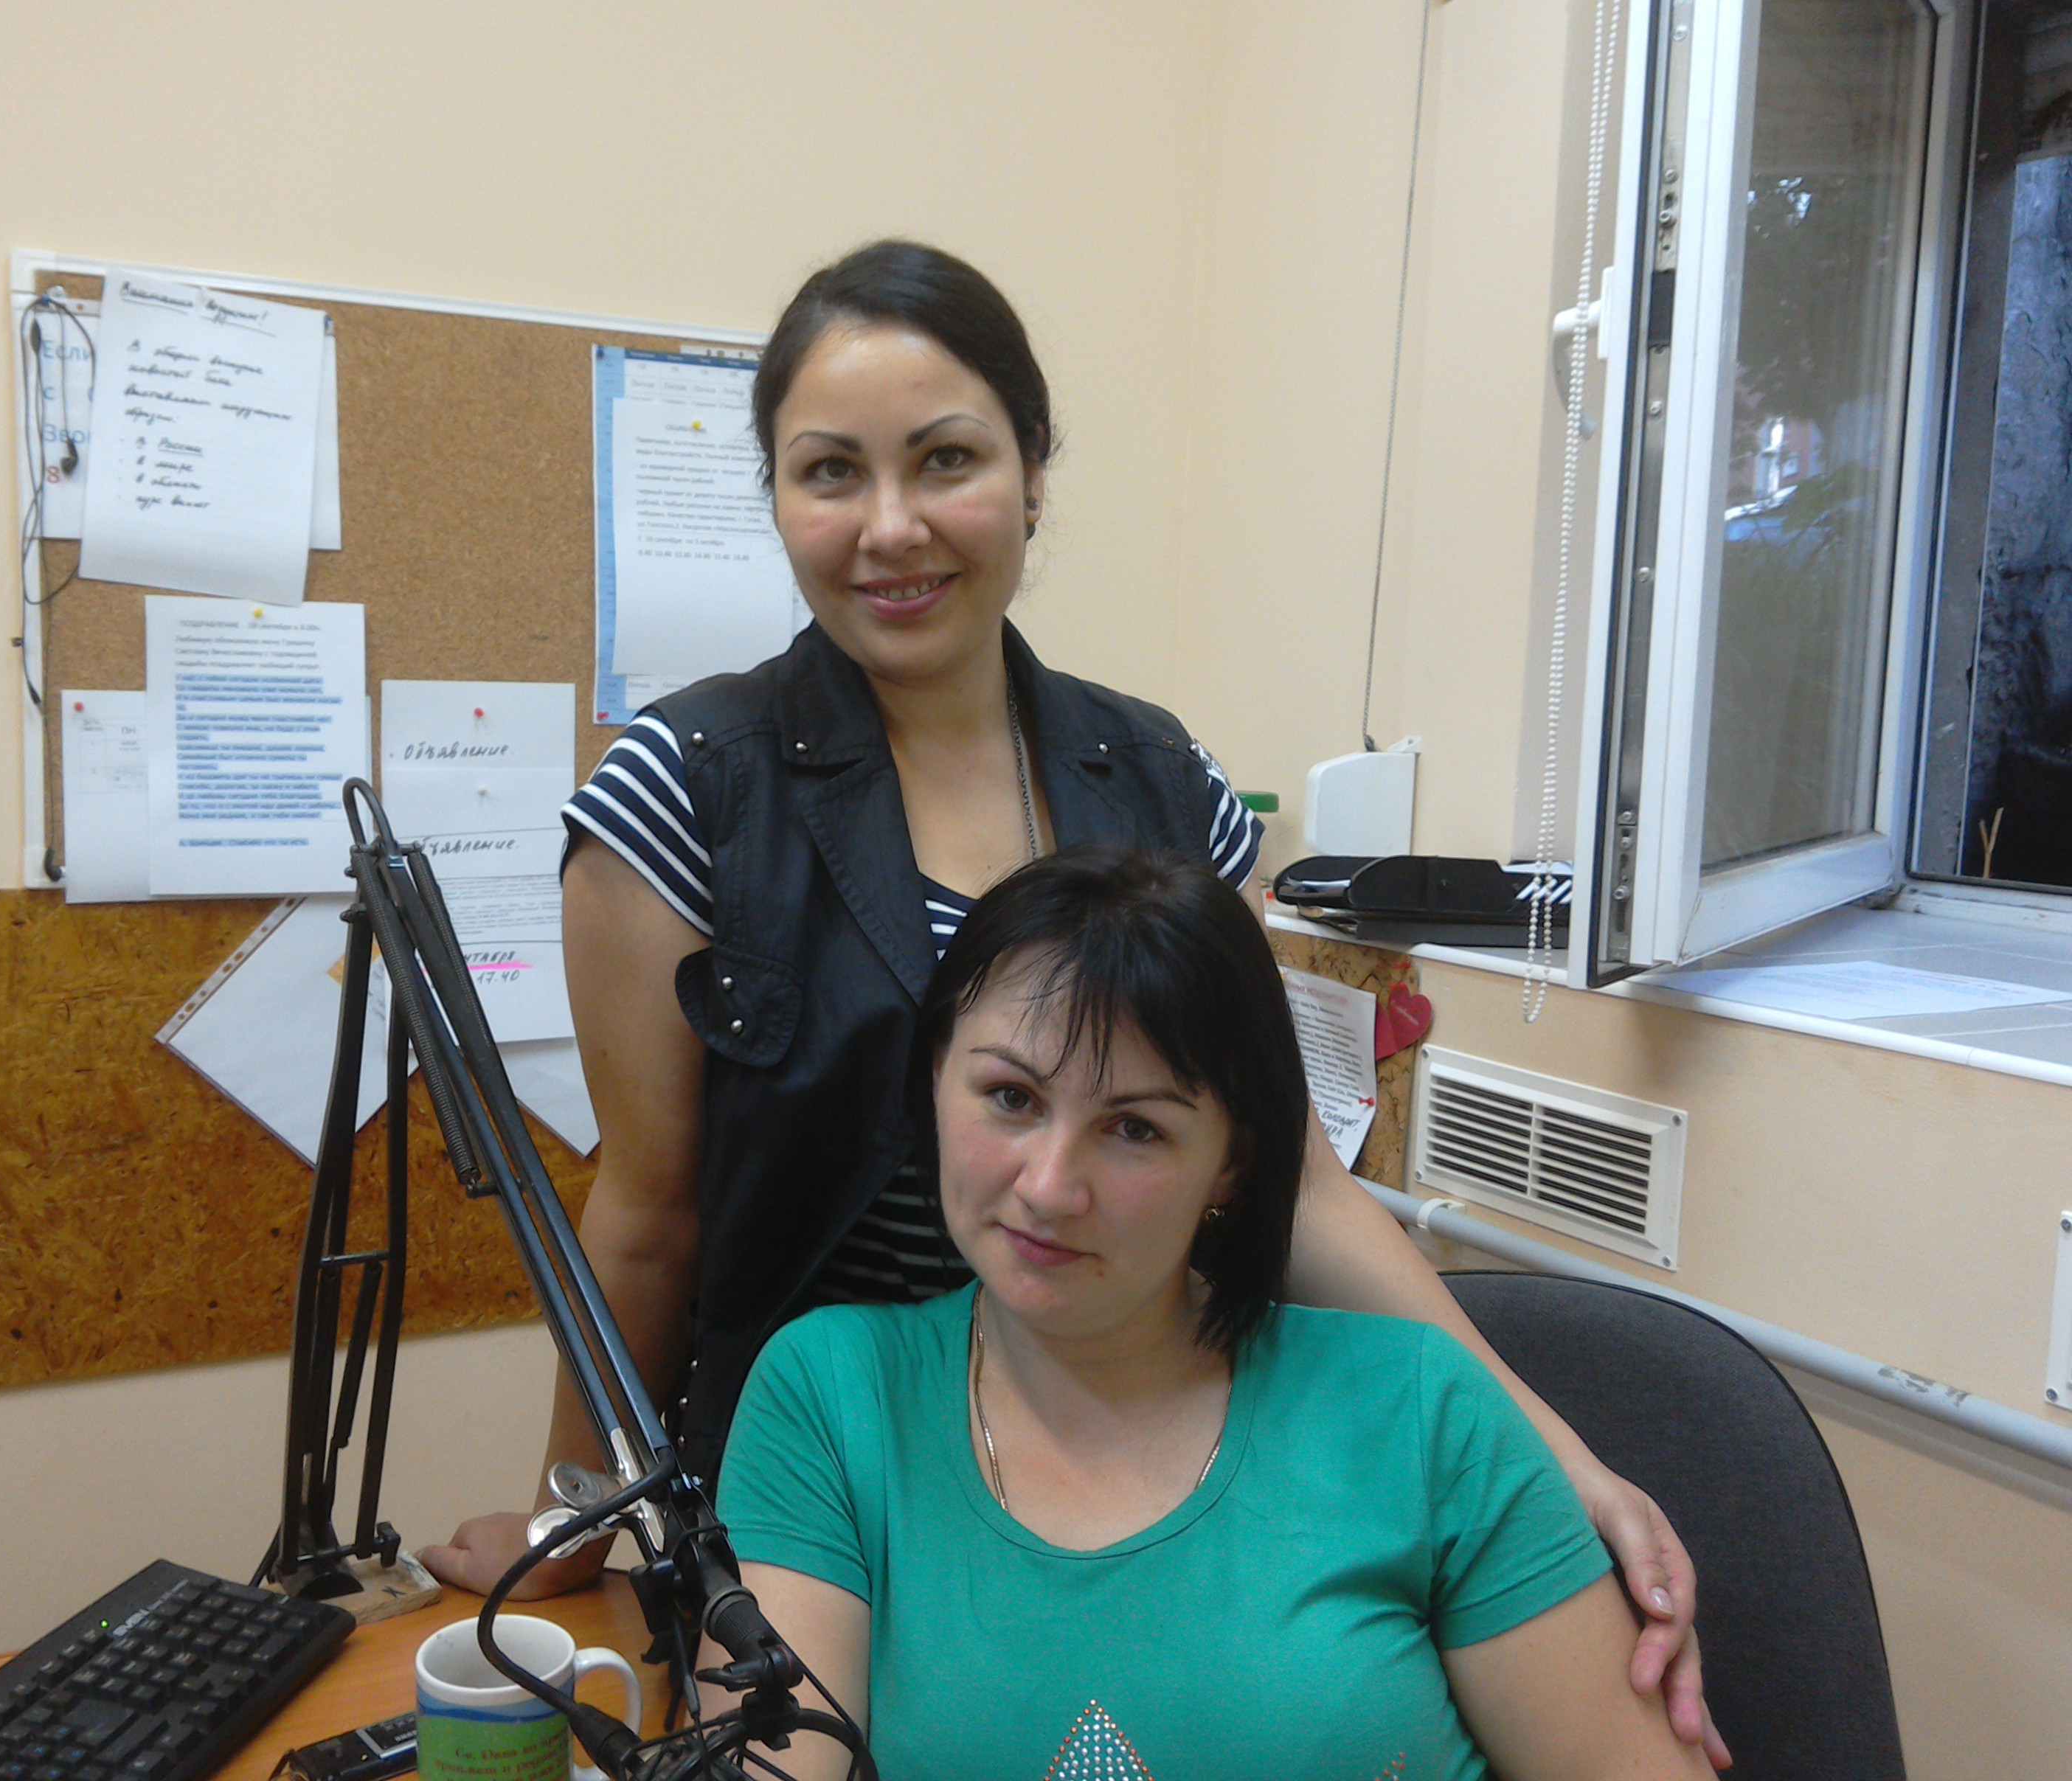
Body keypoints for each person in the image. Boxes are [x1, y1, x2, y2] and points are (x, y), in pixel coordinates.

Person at [421, 240, 1722, 1761]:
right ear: (774, 496)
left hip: (1140, 1441)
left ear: (1032, 474)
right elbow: (649, 1219)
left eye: (947, 460)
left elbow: (1294, 1177)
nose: (891, 527)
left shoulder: (1165, 785)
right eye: (830, 471)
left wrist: (1545, 1448)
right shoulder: (684, 794)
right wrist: (580, 1524)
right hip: (830, 1487)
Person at [708, 847, 1716, 1780]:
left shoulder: (1423, 1411)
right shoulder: (830, 1400)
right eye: (1011, 1098)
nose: (1050, 1186)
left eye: (1134, 1128)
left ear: (1233, 1162)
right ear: (936, 1076)